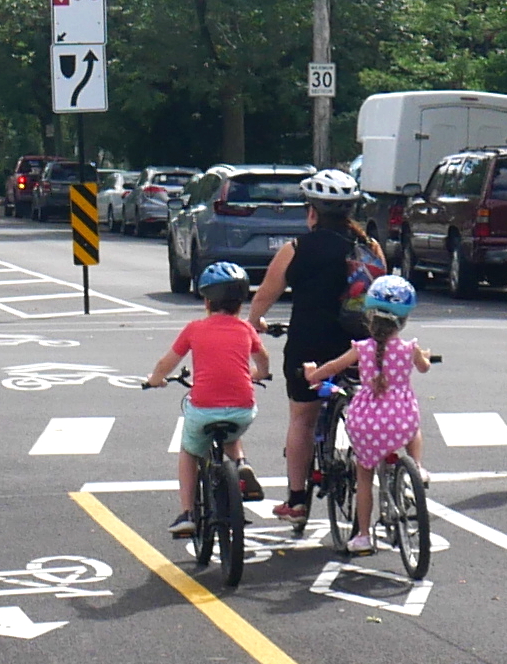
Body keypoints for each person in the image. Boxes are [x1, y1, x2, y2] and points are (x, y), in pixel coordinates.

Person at [246, 169, 383, 525]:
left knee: (303, 420)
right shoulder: (369, 248)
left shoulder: (296, 249)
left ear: (312, 212)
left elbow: (264, 297)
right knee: (361, 408)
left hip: (310, 343)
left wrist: (254, 324)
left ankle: (296, 499)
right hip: (359, 345)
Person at [303, 275, 430, 554]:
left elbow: (333, 367)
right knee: (413, 429)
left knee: (364, 474)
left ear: (369, 318)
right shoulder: (410, 349)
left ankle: (362, 535)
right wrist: (425, 357)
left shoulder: (361, 349)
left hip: (367, 422)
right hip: (400, 418)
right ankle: (417, 468)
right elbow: (424, 367)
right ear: (403, 320)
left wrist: (313, 374)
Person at [145, 262, 269, 537]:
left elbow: (167, 363)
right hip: (242, 409)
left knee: (190, 450)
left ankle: (187, 513)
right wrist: (260, 373)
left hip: (203, 409)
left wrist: (155, 379)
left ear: (206, 301)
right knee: (231, 432)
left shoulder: (194, 329)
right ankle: (241, 465)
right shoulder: (246, 330)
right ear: (240, 302)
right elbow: (264, 359)